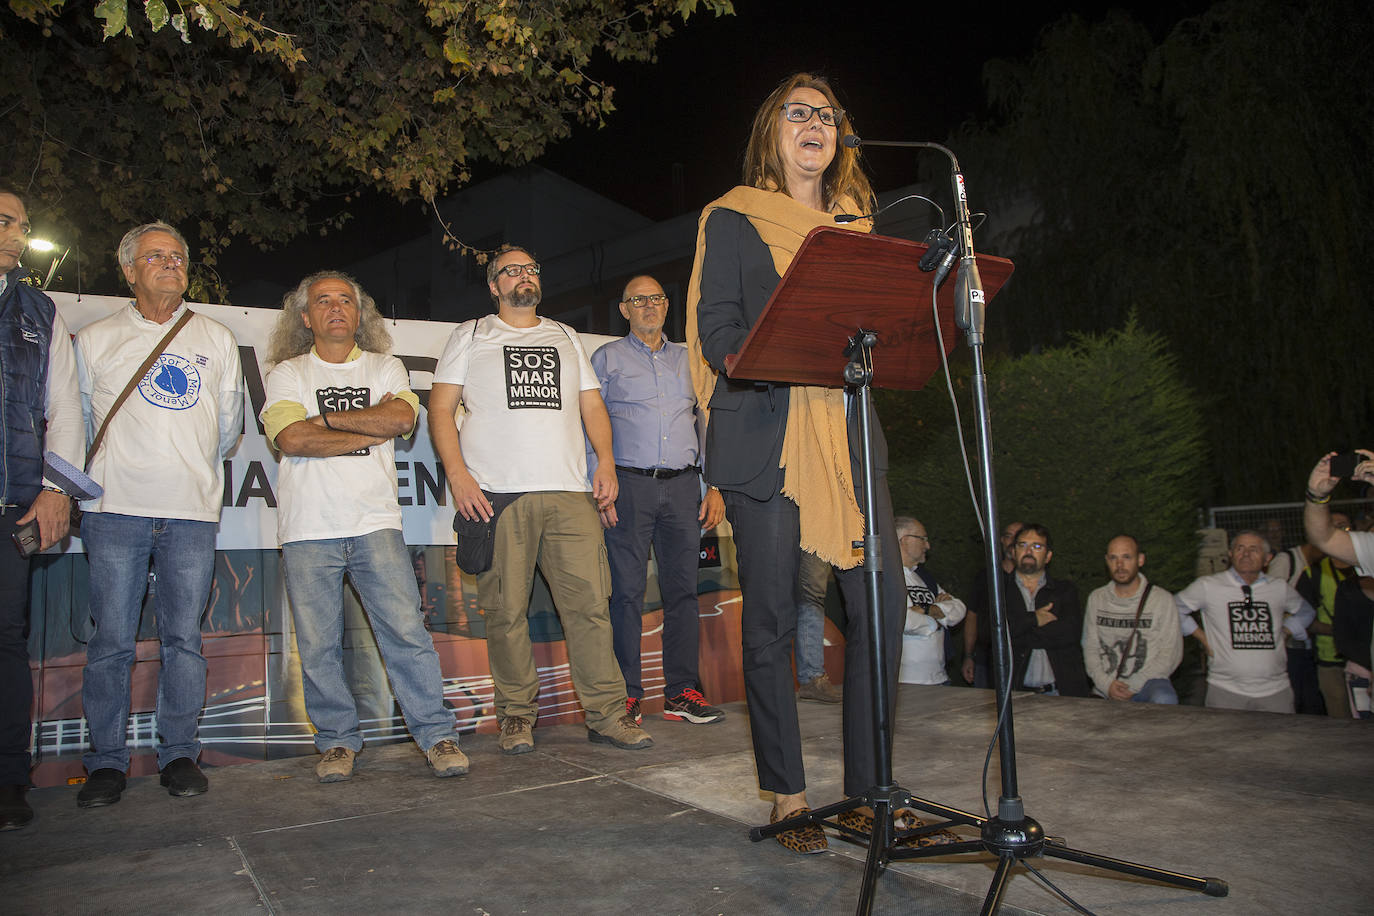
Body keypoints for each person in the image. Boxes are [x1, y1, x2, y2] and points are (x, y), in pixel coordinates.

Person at [687, 72, 906, 854]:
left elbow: (881, 327)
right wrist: (768, 352)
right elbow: (716, 329)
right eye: (798, 112)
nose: (814, 123)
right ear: (770, 133)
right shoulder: (734, 219)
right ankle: (787, 795)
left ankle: (867, 791)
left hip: (848, 436)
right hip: (766, 439)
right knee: (772, 620)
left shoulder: (860, 225)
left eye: (827, 114)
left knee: (881, 610)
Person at [428, 244, 652, 755]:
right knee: (505, 612)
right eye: (511, 270)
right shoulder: (471, 334)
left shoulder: (566, 336)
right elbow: (440, 409)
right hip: (497, 496)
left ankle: (609, 715)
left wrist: (608, 462)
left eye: (530, 268)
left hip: (570, 493)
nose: (523, 276)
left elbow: (591, 404)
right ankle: (515, 717)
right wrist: (458, 476)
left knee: (591, 609)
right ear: (494, 286)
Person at [260, 271, 469, 782]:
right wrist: (361, 428)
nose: (335, 308)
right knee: (318, 645)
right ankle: (335, 741)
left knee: (405, 634)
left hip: (375, 523)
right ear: (305, 318)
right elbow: (290, 439)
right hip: (308, 528)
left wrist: (325, 421)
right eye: (323, 301)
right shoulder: (287, 373)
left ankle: (436, 735)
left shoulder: (385, 365)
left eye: (345, 300)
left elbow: (400, 420)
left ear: (360, 314)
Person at [74, 221, 244, 807]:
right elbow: (75, 426)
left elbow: (227, 432)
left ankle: (178, 754)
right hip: (113, 508)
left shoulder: (216, 338)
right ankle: (105, 764)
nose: (170, 264)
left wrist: (185, 468)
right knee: (112, 644)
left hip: (191, 513)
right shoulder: (94, 339)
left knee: (184, 641)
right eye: (155, 257)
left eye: (177, 257)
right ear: (128, 271)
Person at [592, 274, 726, 725]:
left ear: (667, 306)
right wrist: (600, 480)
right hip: (628, 487)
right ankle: (626, 694)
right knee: (626, 593)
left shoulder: (691, 361)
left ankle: (681, 692)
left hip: (686, 487)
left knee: (684, 593)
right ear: (624, 309)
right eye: (638, 300)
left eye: (656, 298)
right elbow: (591, 425)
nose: (648, 306)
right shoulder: (606, 359)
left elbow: (706, 423)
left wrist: (715, 485)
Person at [0, 188, 83, 830]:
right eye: (5, 222)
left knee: (7, 641)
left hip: (14, 503)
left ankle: (8, 780)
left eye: (22, 226)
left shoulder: (38, 309)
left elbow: (63, 405)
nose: (18, 235)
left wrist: (57, 490)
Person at [1175, 531, 1315, 713]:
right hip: (1225, 689)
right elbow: (1173, 609)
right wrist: (1201, 637)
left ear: (1267, 559)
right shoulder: (1208, 586)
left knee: (1280, 741)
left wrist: (1287, 630)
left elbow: (1306, 612)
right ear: (1231, 555)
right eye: (1240, 548)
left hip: (1275, 690)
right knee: (1226, 742)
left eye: (1254, 549)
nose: (1246, 554)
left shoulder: (1279, 588)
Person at [1080, 535, 1182, 704]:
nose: (1119, 565)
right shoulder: (1096, 599)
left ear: (1140, 560)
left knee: (1164, 699)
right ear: (1107, 561)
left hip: (1149, 683)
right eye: (1114, 558)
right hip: (1107, 684)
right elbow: (1090, 647)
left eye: (1126, 557)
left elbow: (1170, 654)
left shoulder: (1162, 600)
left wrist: (1132, 685)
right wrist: (1106, 684)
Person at [1003, 524, 1090, 696]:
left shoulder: (1064, 591)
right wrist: (1034, 619)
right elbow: (989, 634)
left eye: (1036, 546)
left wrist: (1018, 631)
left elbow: (1070, 633)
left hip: (1060, 693)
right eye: (1022, 545)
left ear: (1048, 556)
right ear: (1013, 552)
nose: (1028, 551)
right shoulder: (999, 592)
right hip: (1014, 695)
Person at [1295, 512, 1356, 717]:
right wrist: (1339, 632)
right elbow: (1303, 617)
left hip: (1367, 661)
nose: (1340, 532)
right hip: (1331, 661)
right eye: (1334, 526)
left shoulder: (1366, 567)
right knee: (1341, 721)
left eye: (1345, 527)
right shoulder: (1313, 573)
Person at [895, 517, 966, 686]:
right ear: (905, 540)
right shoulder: (887, 577)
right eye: (923, 539)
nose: (928, 546)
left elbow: (959, 608)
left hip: (939, 679)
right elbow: (902, 621)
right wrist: (938, 622)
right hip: (905, 683)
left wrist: (926, 609)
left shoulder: (924, 577)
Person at [963, 520, 1022, 687]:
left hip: (1022, 660)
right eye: (1008, 536)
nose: (1012, 542)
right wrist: (968, 656)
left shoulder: (1031, 581)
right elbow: (972, 616)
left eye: (1018, 537)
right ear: (1002, 540)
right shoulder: (986, 577)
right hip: (985, 659)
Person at [794, 552, 843, 702]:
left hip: (817, 533)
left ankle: (812, 676)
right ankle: (810, 676)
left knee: (812, 594)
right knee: (774, 594)